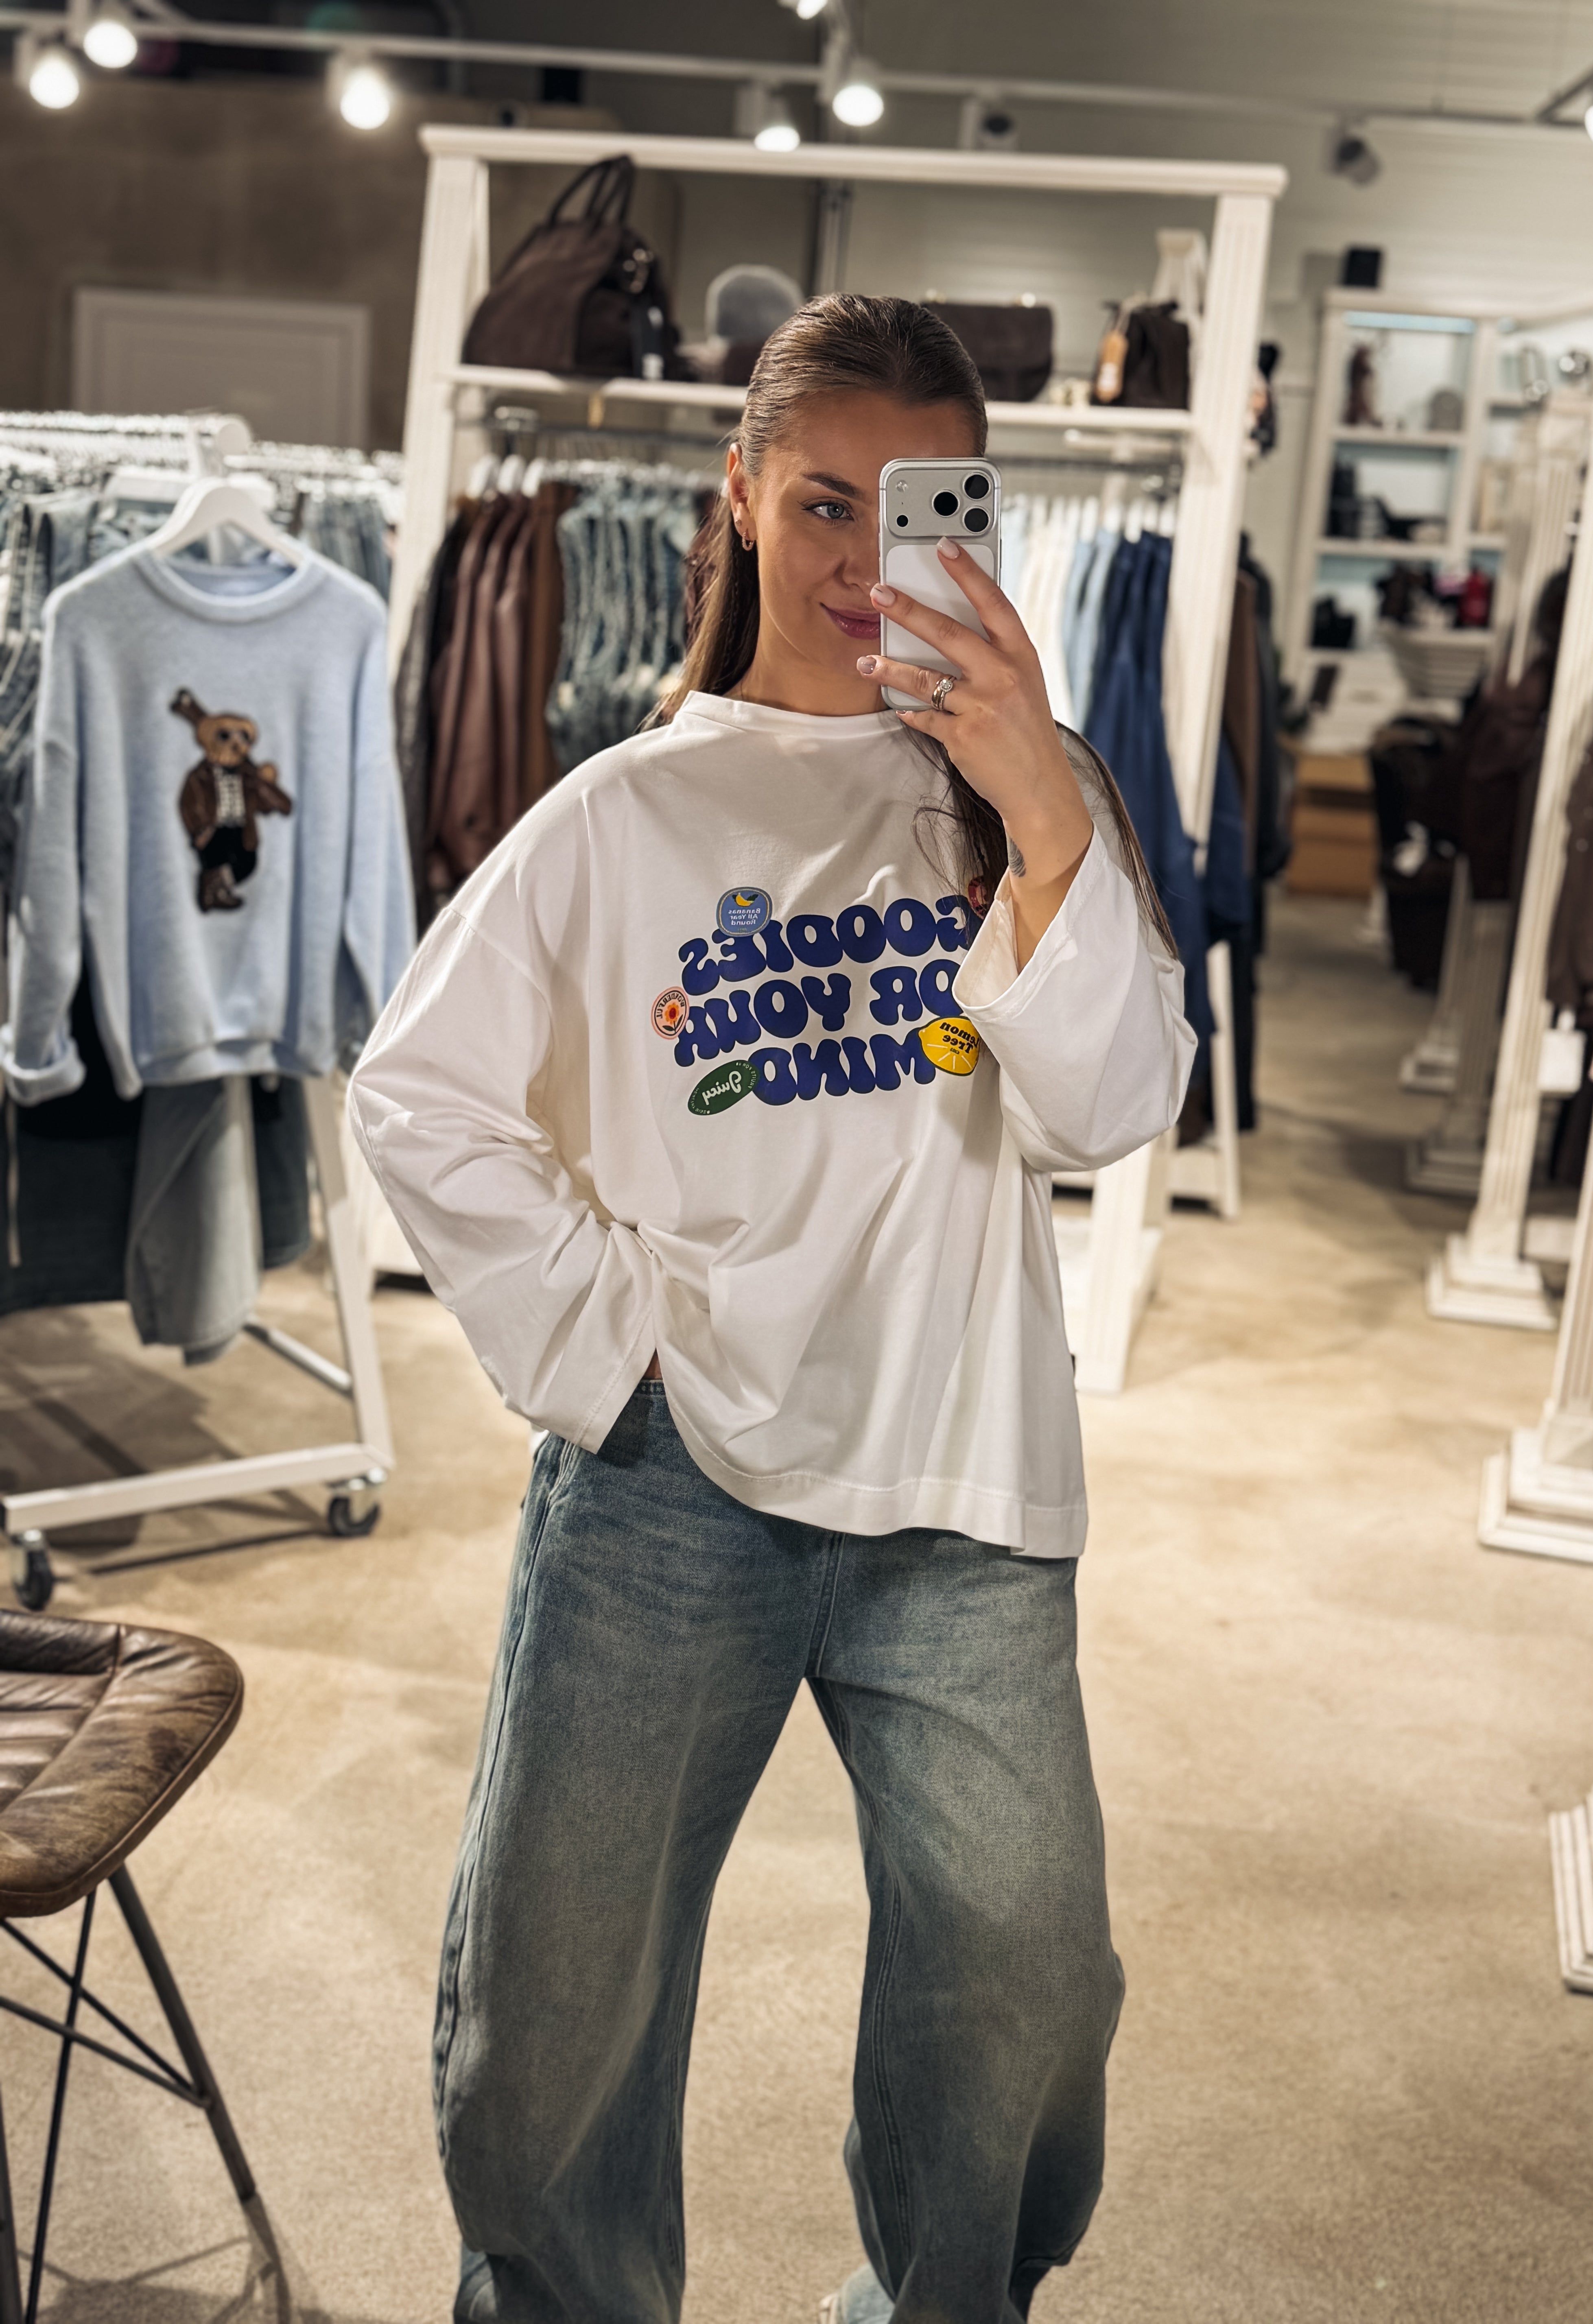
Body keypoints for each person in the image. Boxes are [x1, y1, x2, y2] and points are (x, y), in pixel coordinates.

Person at [349, 293, 1195, 2324]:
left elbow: (1112, 1107)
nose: (859, 558)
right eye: (823, 501)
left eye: (918, 510)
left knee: (1027, 1983)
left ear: (978, 518)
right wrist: (608, 1339)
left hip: (964, 1483)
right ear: (737, 493)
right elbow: (419, 1096)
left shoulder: (1022, 795)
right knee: (559, 2001)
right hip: (669, 1486)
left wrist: (1038, 791)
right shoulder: (623, 812)